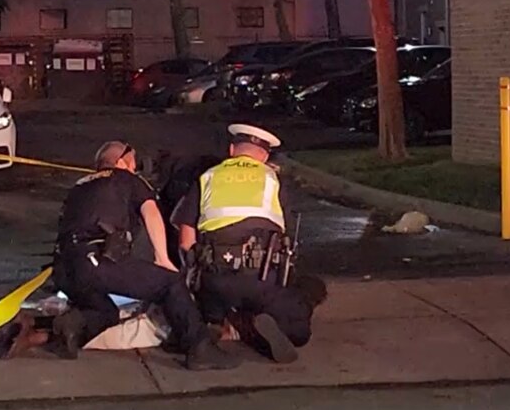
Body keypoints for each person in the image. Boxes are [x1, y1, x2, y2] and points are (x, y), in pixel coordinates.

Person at [40, 141, 239, 370]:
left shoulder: (80, 185)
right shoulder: (127, 178)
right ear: (120, 162)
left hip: (64, 270)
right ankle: (199, 348)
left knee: (105, 313)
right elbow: (151, 212)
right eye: (133, 161)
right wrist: (162, 257)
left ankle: (68, 326)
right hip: (95, 260)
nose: (136, 166)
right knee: (169, 283)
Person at [172, 124, 326, 364]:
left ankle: (217, 321)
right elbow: (285, 232)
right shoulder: (272, 180)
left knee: (210, 306)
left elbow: (185, 239)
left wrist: (197, 278)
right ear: (264, 156)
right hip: (262, 281)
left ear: (232, 150)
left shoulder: (208, 177)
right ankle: (254, 326)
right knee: (301, 322)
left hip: (214, 281)